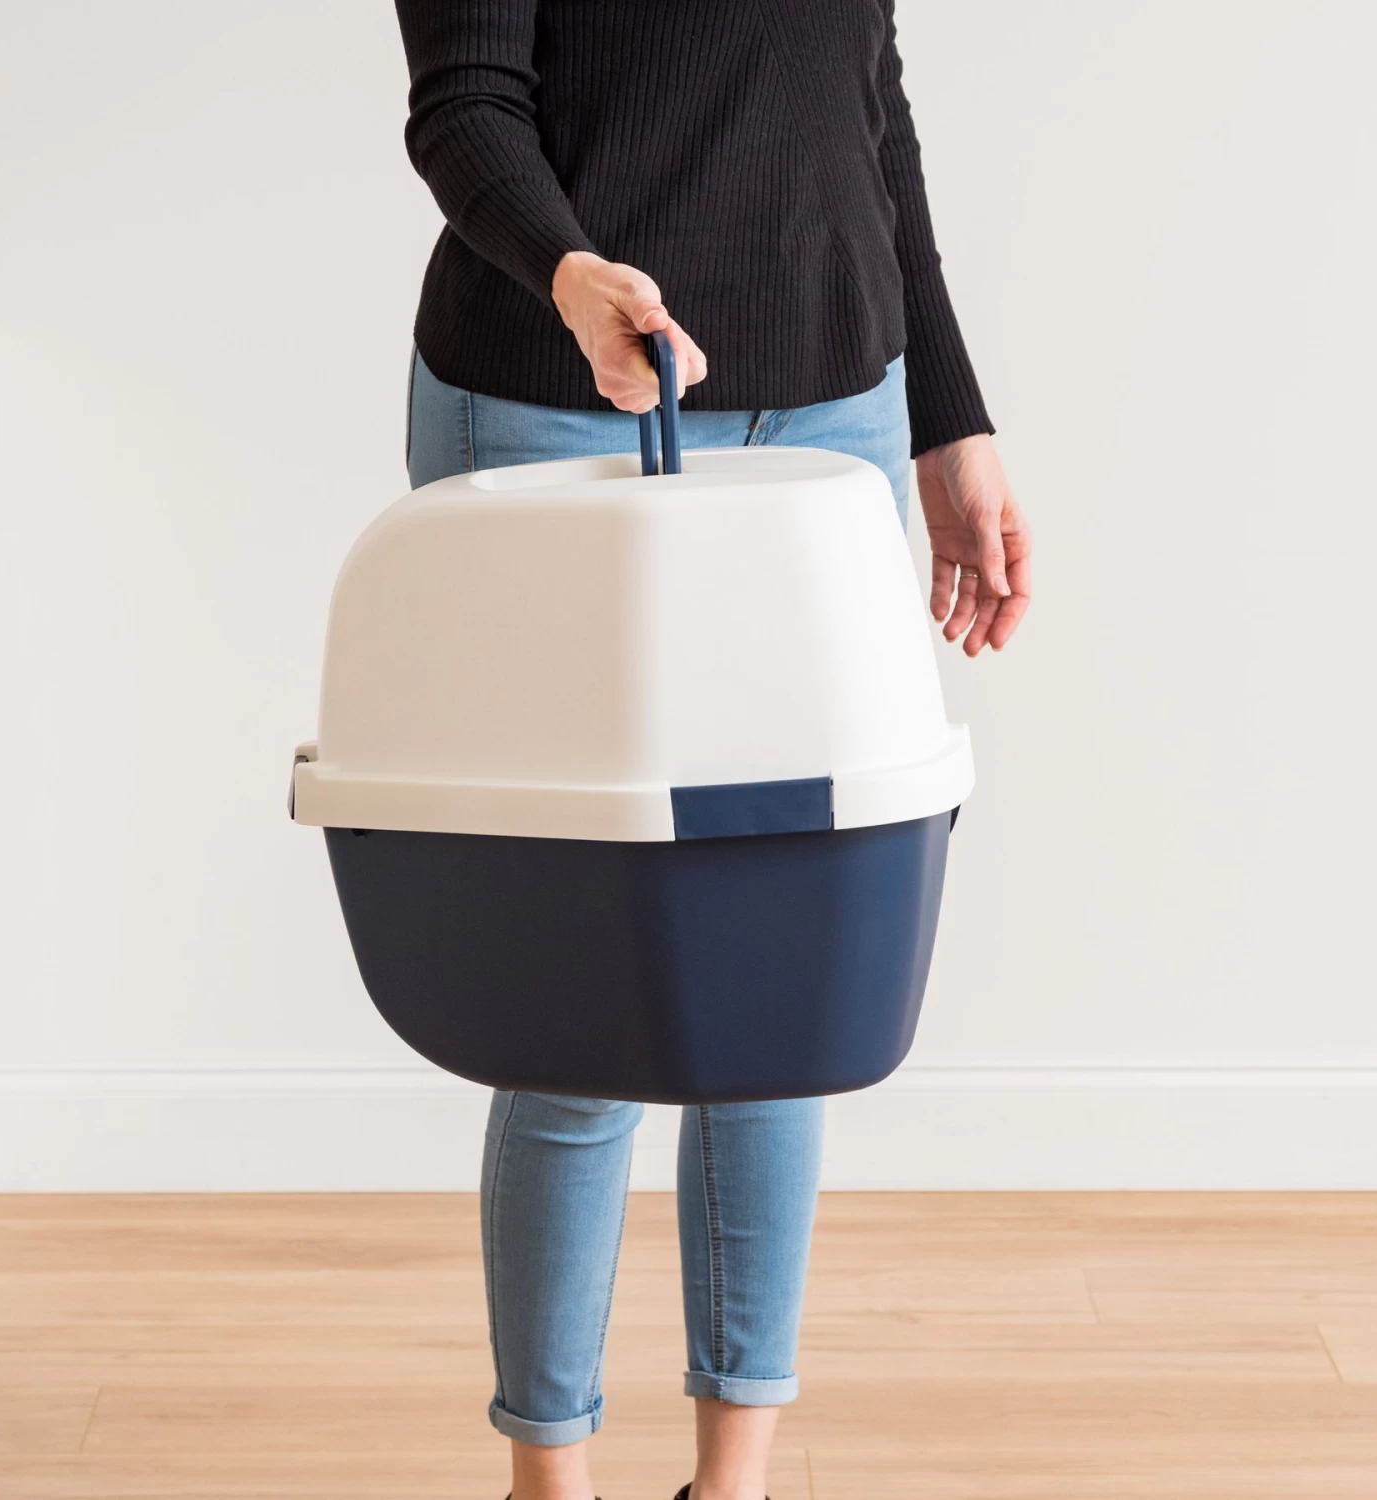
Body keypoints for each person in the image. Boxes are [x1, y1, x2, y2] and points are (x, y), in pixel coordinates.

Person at [392, 4, 1032, 1498]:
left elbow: (867, 108)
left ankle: (732, 1482)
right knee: (574, 998)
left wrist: (948, 419)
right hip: (560, 399)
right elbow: (464, 102)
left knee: (786, 984)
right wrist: (570, 271)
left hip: (839, 406)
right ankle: (549, 1481)